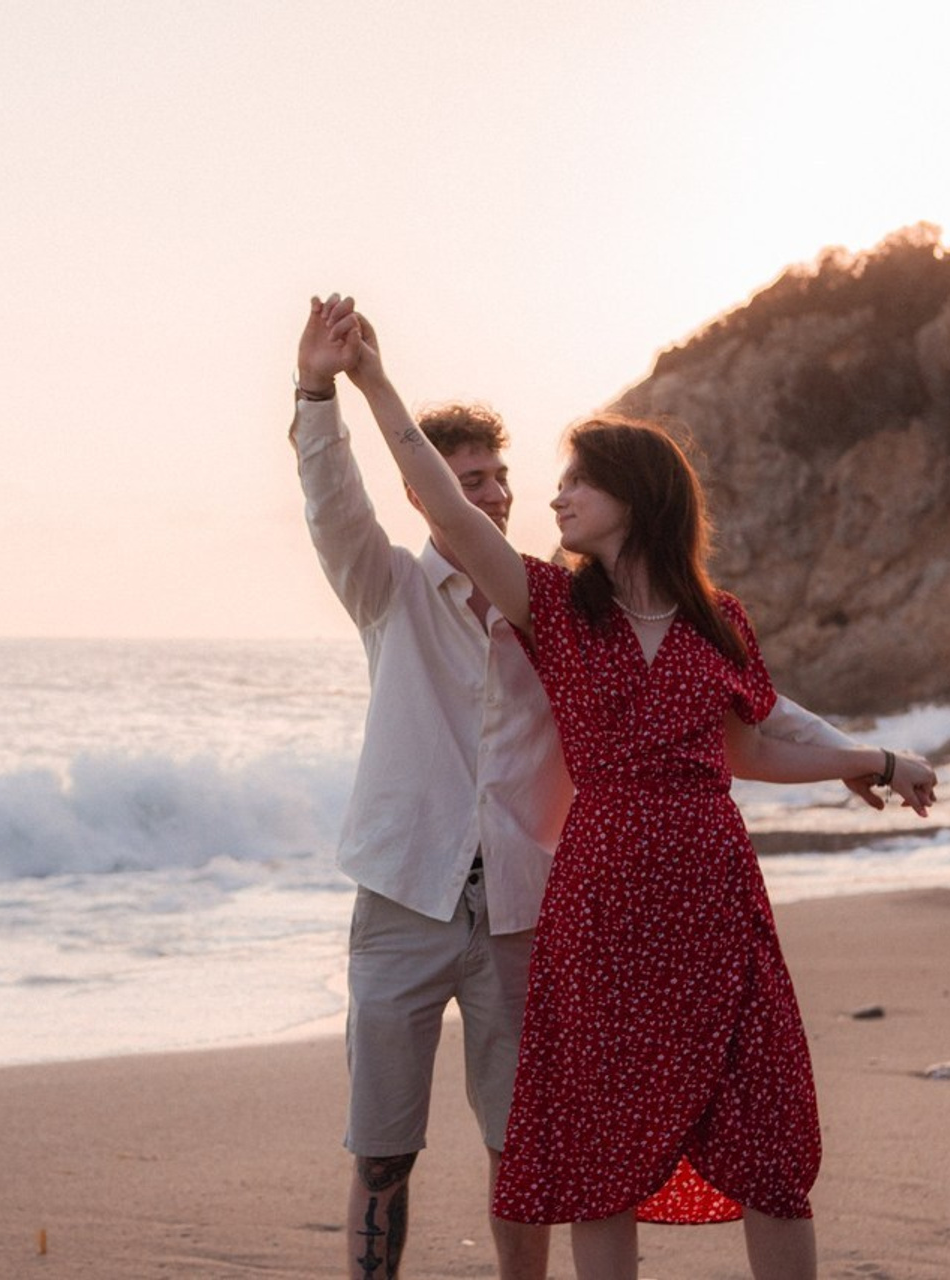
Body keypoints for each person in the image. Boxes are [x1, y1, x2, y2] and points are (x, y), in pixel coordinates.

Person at [290, 296, 917, 1280]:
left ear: (636, 494)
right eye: (544, 478)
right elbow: (429, 502)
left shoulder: (713, 620)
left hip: (694, 898)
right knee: (577, 1149)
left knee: (762, 1131)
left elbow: (758, 732)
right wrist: (362, 379)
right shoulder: (549, 610)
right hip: (572, 901)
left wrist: (870, 760)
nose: (545, 495)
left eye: (572, 479)